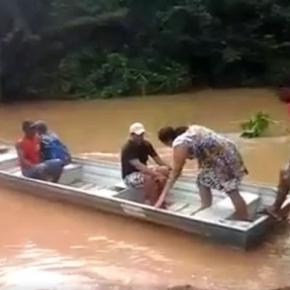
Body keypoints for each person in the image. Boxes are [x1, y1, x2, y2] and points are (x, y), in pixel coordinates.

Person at [156, 125, 249, 220]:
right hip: (227, 151)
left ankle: (243, 217)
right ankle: (206, 205)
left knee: (230, 188)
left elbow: (176, 172)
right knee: (202, 179)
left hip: (222, 157)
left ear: (167, 141)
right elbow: (202, 150)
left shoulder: (179, 143)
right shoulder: (190, 131)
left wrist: (161, 198)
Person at [121, 122, 171, 205]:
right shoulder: (128, 148)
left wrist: (172, 169)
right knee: (149, 177)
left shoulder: (146, 144)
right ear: (132, 135)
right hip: (130, 176)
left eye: (142, 134)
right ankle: (152, 201)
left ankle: (161, 197)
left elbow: (158, 161)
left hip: (143, 172)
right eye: (138, 135)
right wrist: (156, 174)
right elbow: (139, 166)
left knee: (164, 170)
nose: (141, 137)